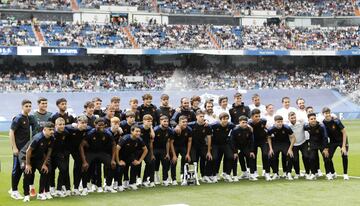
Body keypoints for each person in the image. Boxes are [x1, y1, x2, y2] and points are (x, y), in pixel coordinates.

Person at [79, 118, 117, 195]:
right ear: (95, 125)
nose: (101, 127)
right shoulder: (90, 133)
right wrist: (84, 161)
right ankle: (84, 188)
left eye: (103, 125)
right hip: (91, 152)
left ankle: (108, 186)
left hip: (101, 152)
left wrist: (113, 160)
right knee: (85, 167)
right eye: (99, 125)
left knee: (112, 165)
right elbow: (81, 146)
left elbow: (114, 145)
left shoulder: (107, 133)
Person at [9, 99, 37, 200]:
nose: (28, 108)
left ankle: (14, 189)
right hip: (18, 149)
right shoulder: (18, 118)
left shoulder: (28, 118)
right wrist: (14, 147)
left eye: (30, 106)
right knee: (16, 170)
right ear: (22, 107)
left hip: (25, 150)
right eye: (26, 106)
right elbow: (11, 132)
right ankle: (14, 191)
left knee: (21, 170)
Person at [22, 122, 55, 202]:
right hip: (25, 156)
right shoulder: (38, 138)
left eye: (53, 129)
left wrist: (44, 164)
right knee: (27, 172)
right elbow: (28, 151)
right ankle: (26, 195)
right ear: (44, 129)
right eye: (50, 130)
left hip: (38, 157)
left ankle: (40, 194)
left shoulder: (52, 138)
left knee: (45, 170)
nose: (52, 131)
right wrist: (28, 164)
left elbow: (49, 151)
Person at [116, 125, 148, 190]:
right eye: (136, 131)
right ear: (132, 131)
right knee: (121, 166)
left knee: (135, 164)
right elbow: (117, 149)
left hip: (130, 156)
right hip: (121, 156)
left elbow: (145, 150)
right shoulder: (125, 138)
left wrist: (139, 161)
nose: (138, 133)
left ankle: (132, 183)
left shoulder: (139, 139)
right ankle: (119, 185)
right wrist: (118, 161)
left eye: (139, 131)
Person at [65, 115, 90, 195]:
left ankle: (76, 188)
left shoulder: (87, 129)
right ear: (77, 123)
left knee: (79, 167)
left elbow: (93, 128)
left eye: (85, 123)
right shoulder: (71, 129)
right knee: (64, 168)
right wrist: (72, 125)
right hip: (66, 149)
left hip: (77, 150)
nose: (84, 124)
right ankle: (66, 188)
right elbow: (63, 126)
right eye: (82, 123)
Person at [322, 107, 349, 180]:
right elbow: (325, 136)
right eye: (325, 113)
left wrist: (343, 146)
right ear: (323, 114)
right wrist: (326, 148)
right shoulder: (323, 123)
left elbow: (344, 132)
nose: (327, 115)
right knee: (327, 157)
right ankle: (333, 173)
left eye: (328, 113)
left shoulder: (336, 121)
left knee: (344, 155)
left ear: (330, 113)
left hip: (342, 140)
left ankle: (345, 174)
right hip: (333, 142)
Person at [267, 115, 296, 180]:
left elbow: (293, 138)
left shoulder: (287, 128)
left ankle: (288, 173)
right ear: (275, 122)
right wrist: (270, 148)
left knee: (290, 155)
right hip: (275, 144)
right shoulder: (271, 129)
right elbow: (268, 138)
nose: (280, 123)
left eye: (281, 121)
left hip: (285, 143)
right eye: (278, 122)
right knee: (271, 156)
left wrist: (290, 149)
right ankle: (275, 173)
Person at [188, 110, 213, 183]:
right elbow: (182, 125)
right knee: (194, 161)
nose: (202, 118)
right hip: (193, 146)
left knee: (205, 159)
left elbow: (209, 138)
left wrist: (208, 151)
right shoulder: (191, 125)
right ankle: (194, 176)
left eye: (203, 116)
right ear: (196, 117)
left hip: (202, 146)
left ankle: (204, 176)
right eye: (200, 116)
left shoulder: (207, 126)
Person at [303, 113, 330, 180]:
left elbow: (325, 137)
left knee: (326, 157)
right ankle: (313, 174)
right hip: (313, 144)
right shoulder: (306, 126)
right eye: (311, 119)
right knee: (311, 158)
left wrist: (326, 148)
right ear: (308, 120)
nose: (313, 120)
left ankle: (328, 174)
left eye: (314, 118)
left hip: (322, 143)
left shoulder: (321, 126)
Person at [49, 118, 71, 197]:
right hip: (51, 156)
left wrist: (64, 154)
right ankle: (52, 187)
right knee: (51, 171)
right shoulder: (52, 134)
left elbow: (68, 146)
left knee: (63, 169)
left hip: (60, 155)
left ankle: (59, 189)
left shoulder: (66, 133)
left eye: (63, 124)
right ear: (55, 125)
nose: (62, 126)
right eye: (60, 125)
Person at [230, 116, 257, 181]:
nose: (245, 124)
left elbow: (252, 141)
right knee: (235, 157)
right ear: (239, 122)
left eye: (246, 122)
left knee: (251, 156)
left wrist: (251, 151)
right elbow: (232, 142)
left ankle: (252, 174)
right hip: (236, 147)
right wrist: (235, 152)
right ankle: (235, 175)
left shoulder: (249, 129)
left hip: (245, 147)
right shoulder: (235, 130)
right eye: (243, 122)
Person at [210, 112, 235, 182]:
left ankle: (227, 174)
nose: (225, 120)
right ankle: (214, 175)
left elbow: (237, 127)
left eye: (227, 119)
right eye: (224, 119)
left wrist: (249, 126)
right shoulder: (214, 125)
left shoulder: (230, 125)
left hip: (225, 144)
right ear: (220, 119)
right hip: (215, 144)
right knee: (214, 158)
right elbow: (207, 128)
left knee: (230, 157)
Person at [248, 109, 271, 181]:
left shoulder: (263, 121)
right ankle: (254, 172)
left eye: (259, 116)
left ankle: (266, 172)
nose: (258, 118)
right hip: (253, 141)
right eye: (256, 116)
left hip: (263, 140)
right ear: (252, 117)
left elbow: (267, 128)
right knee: (253, 156)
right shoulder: (249, 123)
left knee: (265, 154)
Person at [287, 112, 310, 179]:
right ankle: (297, 173)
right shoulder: (288, 126)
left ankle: (308, 173)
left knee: (306, 156)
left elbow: (308, 122)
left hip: (303, 142)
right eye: (292, 118)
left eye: (294, 117)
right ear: (289, 118)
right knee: (295, 159)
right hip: (294, 145)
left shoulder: (301, 122)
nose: (293, 119)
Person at [171, 116, 192, 185]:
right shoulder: (174, 130)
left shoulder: (189, 129)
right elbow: (171, 143)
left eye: (186, 122)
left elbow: (189, 141)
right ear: (179, 123)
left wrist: (188, 153)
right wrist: (174, 155)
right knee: (174, 162)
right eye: (183, 122)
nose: (185, 123)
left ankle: (183, 176)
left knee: (186, 159)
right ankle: (173, 179)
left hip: (183, 146)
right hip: (174, 147)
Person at [153, 116, 173, 186]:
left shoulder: (170, 130)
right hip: (155, 149)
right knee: (156, 164)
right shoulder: (155, 130)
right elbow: (151, 142)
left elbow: (168, 142)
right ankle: (156, 177)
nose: (166, 123)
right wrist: (152, 153)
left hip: (163, 149)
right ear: (160, 121)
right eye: (164, 121)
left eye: (167, 121)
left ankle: (165, 180)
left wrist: (167, 153)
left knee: (165, 164)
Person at [140, 115, 156, 187]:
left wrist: (151, 128)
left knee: (151, 162)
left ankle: (148, 180)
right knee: (137, 164)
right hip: (138, 150)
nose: (149, 122)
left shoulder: (150, 129)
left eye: (150, 121)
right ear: (143, 121)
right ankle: (134, 181)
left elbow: (152, 137)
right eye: (148, 121)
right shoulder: (139, 128)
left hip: (147, 149)